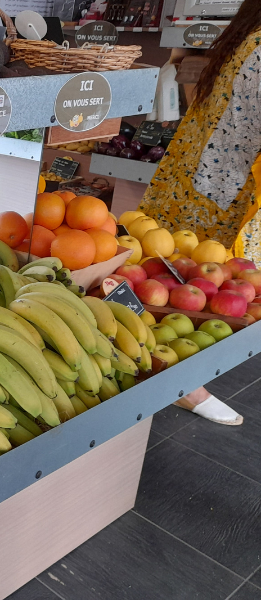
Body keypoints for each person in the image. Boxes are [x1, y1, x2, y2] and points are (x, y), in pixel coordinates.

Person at [138, 2, 261, 426]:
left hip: (199, 179)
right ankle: (182, 384)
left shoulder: (250, 30)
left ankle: (164, 369)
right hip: (224, 189)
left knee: (173, 279)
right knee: (193, 289)